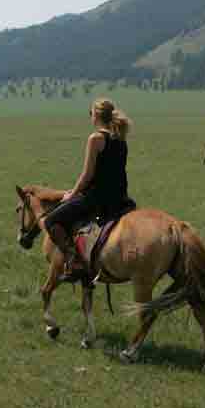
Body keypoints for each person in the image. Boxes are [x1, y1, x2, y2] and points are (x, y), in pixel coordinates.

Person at [43, 97, 133, 281]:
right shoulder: (120, 139)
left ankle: (74, 261)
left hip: (97, 198)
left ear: (96, 116)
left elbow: (87, 175)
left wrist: (72, 194)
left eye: (91, 113)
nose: (90, 117)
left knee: (51, 221)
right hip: (121, 199)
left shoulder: (96, 138)